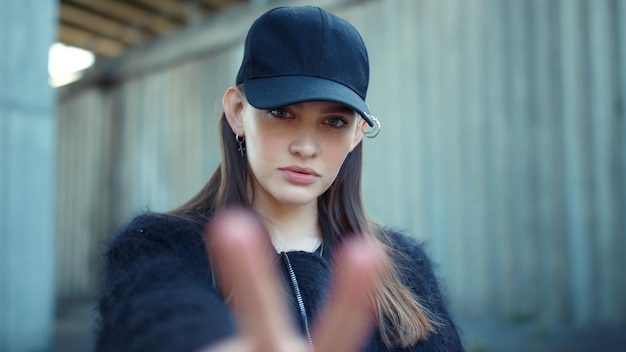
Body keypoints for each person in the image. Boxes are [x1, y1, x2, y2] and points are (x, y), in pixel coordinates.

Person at [96, 5, 464, 352]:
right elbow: (158, 315)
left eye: (334, 121)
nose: (305, 147)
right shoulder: (158, 245)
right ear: (238, 112)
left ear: (356, 134)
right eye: (281, 112)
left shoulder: (403, 267)